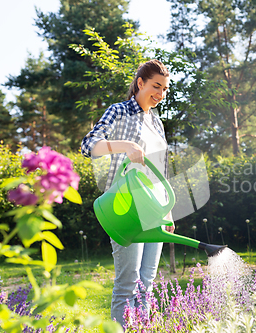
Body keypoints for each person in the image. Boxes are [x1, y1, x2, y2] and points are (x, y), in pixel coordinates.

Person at [80, 59, 174, 326]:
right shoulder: (119, 111)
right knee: (127, 285)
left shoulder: (157, 123)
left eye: (165, 89)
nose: (161, 94)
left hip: (156, 209)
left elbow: (160, 169)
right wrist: (125, 145)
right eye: (156, 86)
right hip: (126, 207)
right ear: (140, 83)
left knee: (146, 284)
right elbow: (89, 145)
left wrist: (168, 211)